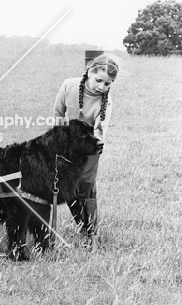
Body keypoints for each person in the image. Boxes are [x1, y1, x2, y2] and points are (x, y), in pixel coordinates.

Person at [53, 53, 119, 247]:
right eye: (99, 80)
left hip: (90, 146)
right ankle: (83, 227)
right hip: (67, 145)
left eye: (108, 84)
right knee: (68, 185)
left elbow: (100, 130)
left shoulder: (106, 102)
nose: (102, 87)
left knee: (85, 184)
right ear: (90, 71)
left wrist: (89, 143)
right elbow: (58, 113)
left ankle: (92, 234)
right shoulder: (68, 85)